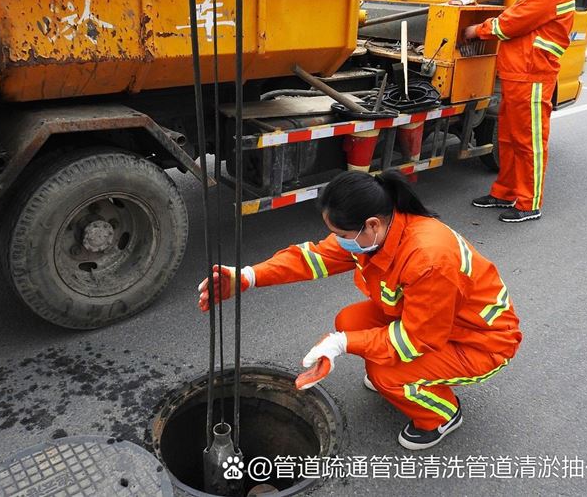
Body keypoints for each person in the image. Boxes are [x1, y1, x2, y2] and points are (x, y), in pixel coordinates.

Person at [198, 170, 522, 450]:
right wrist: (248, 277)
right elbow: (312, 259)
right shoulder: (378, 232)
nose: (338, 241)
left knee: (385, 374)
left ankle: (441, 414)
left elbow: (415, 340)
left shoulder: (428, 258)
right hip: (437, 323)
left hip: (481, 342)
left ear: (371, 225)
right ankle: (408, 378)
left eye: (341, 235)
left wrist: (342, 344)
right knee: (350, 321)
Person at [463, 0, 576, 222]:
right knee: (509, 139)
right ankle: (504, 192)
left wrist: (477, 30)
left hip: (533, 73)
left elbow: (510, 23)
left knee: (529, 142)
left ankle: (528, 203)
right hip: (519, 71)